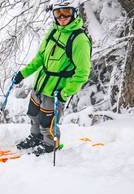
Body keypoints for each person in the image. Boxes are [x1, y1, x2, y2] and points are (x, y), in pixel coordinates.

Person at [12, 0, 92, 155]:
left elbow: (83, 73)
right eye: (58, 13)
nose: (62, 17)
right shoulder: (53, 31)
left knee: (47, 122)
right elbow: (40, 58)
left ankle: (50, 145)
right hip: (41, 83)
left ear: (74, 13)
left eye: (66, 13)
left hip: (56, 89)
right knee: (33, 114)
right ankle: (35, 137)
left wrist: (65, 92)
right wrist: (23, 74)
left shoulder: (79, 40)